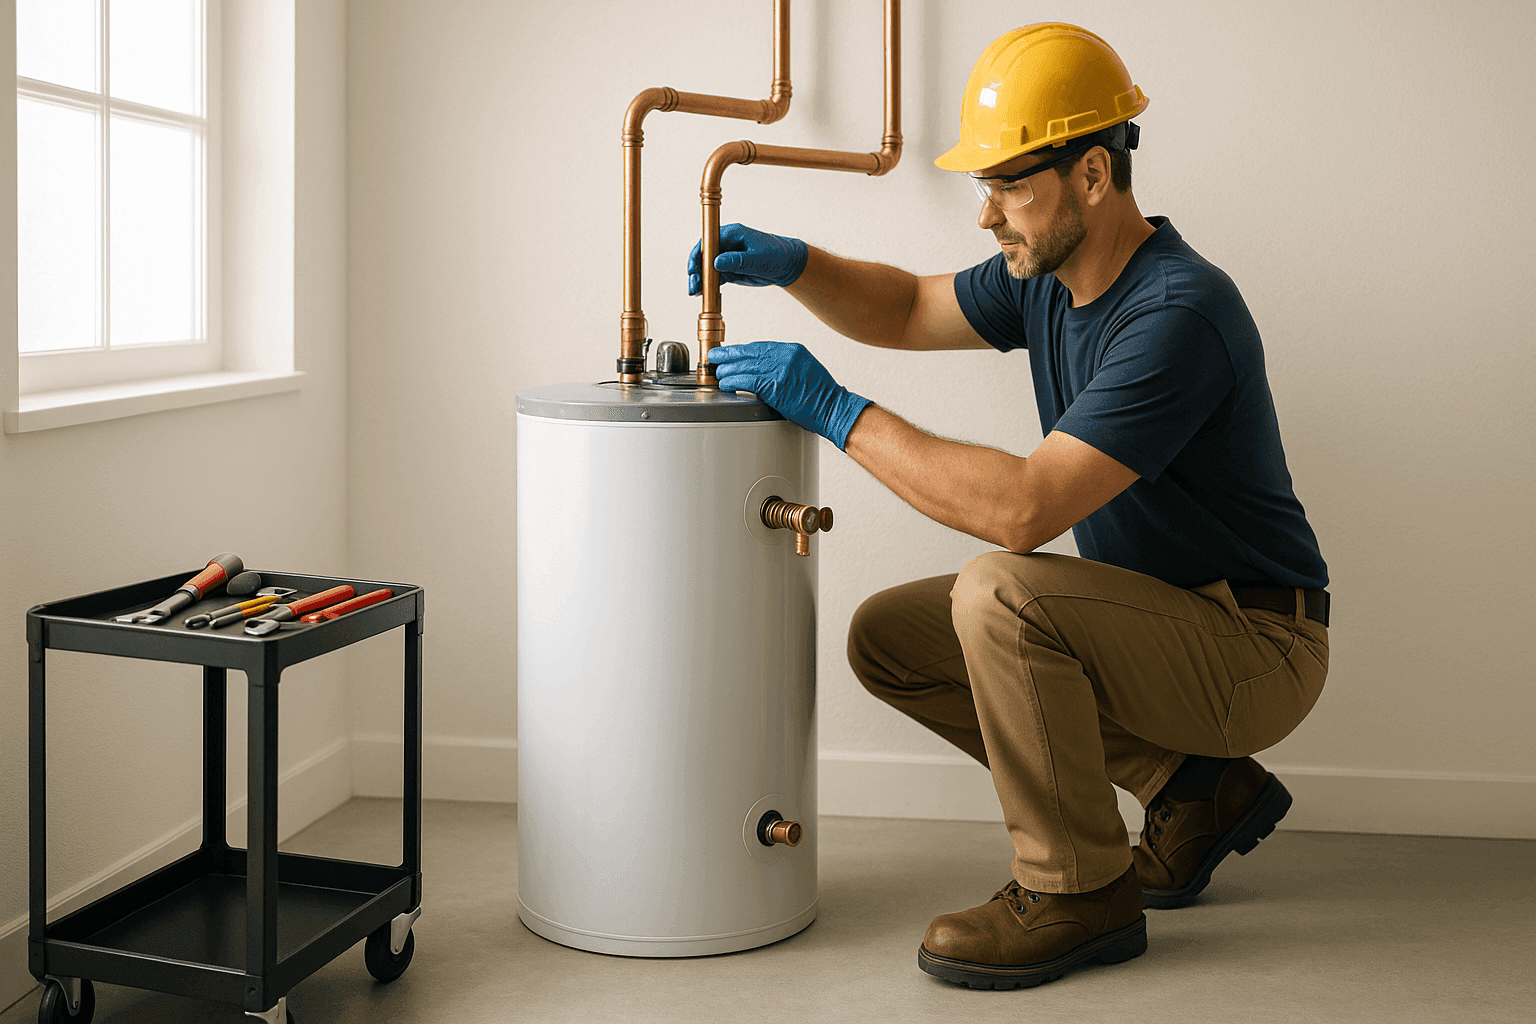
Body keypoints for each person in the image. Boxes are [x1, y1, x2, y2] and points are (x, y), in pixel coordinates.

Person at [687, 23, 1329, 989]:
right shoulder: (1049, 279)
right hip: (1165, 619)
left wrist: (834, 409)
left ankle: (1078, 889)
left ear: (1093, 176)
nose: (987, 214)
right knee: (892, 637)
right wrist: (798, 264)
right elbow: (909, 307)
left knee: (998, 590)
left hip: (1255, 644)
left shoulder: (1177, 313)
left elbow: (1025, 511)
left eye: (1008, 185)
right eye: (983, 187)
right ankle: (1192, 787)